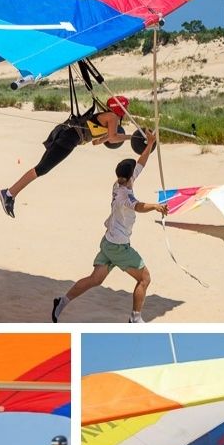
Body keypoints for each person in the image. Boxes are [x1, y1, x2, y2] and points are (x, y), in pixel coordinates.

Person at [51, 129, 167, 323]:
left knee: (95, 279)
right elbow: (137, 206)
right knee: (144, 278)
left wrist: (149, 144)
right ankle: (135, 319)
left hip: (108, 242)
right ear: (130, 177)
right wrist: (155, 206)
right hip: (118, 246)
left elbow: (140, 164)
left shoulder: (119, 182)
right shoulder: (124, 195)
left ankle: (61, 301)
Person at [0, 96, 134, 218]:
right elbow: (113, 137)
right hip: (68, 139)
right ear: (120, 108)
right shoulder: (112, 117)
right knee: (41, 169)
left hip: (67, 134)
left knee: (41, 168)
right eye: (126, 107)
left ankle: (10, 193)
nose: (127, 110)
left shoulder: (107, 116)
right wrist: (132, 137)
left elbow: (96, 141)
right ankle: (9, 193)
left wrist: (118, 137)